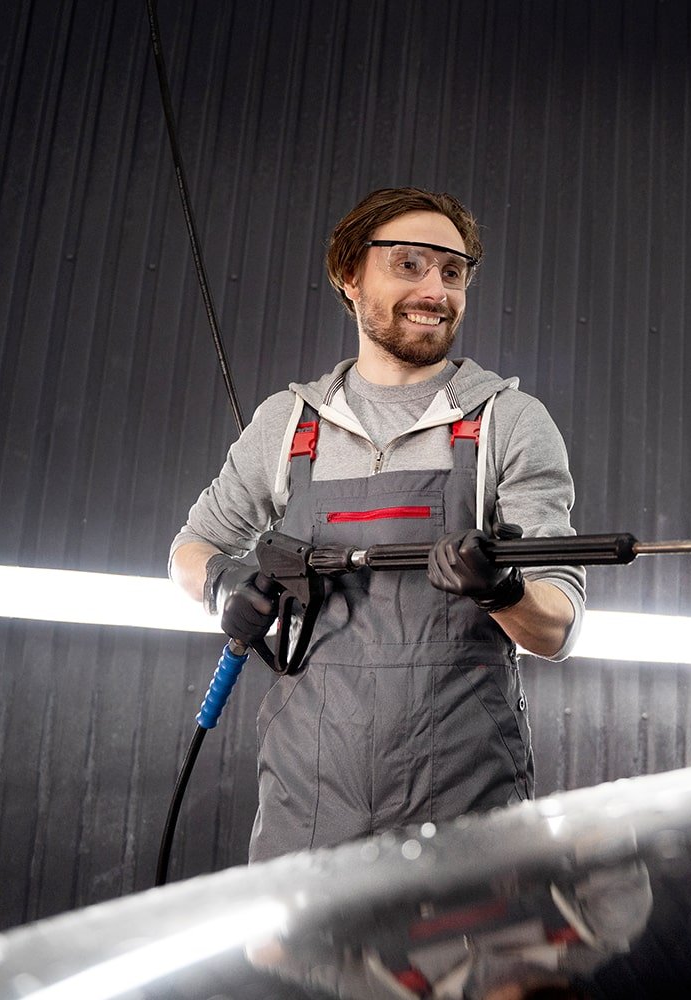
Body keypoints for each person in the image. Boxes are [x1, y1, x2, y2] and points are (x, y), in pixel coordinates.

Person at [169, 186, 584, 862]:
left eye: (453, 272)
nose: (436, 290)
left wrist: (502, 589)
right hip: (307, 813)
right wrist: (223, 583)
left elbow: (559, 627)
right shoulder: (288, 425)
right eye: (409, 264)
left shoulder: (507, 422)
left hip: (466, 818)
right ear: (349, 275)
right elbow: (189, 550)